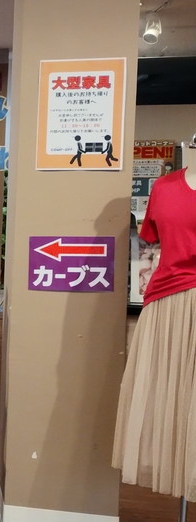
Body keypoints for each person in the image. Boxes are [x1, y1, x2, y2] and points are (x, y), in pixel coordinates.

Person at [114, 167, 196, 500]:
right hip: (168, 301)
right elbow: (153, 236)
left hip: (172, 299)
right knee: (169, 397)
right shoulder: (164, 187)